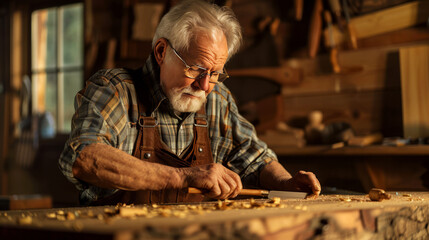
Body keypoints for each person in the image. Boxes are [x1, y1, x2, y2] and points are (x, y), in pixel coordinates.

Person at [59, 0, 321, 205]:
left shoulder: (217, 99)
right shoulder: (115, 89)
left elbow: (254, 158)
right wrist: (182, 177)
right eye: (196, 69)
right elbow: (83, 156)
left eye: (216, 73)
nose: (205, 86)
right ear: (162, 52)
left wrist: (286, 184)